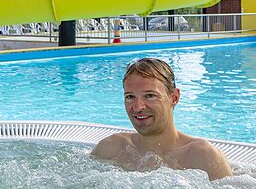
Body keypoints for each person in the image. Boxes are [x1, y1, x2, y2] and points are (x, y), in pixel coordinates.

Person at [91, 57, 232, 180]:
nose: (138, 107)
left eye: (150, 95)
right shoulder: (111, 148)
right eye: (130, 97)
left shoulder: (202, 156)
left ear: (174, 97)